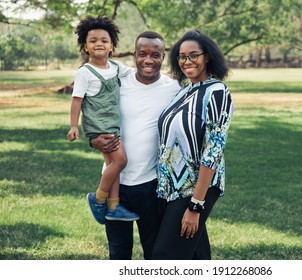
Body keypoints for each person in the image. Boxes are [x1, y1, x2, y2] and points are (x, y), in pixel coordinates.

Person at [90, 31, 180, 259]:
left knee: (154, 252)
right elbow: (92, 107)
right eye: (142, 54)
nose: (148, 60)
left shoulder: (174, 89)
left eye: (155, 55)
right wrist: (92, 138)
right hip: (115, 184)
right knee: (119, 252)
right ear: (135, 54)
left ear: (163, 56)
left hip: (150, 186)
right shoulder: (117, 81)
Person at [152, 30, 234, 260]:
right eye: (181, 56)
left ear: (207, 57)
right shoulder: (184, 91)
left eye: (193, 55)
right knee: (196, 254)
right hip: (171, 187)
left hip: (196, 188)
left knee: (165, 256)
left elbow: (213, 152)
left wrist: (196, 205)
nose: (187, 61)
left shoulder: (217, 92)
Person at [67, 15, 139, 224]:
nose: (99, 43)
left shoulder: (116, 68)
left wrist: (165, 77)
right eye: (93, 40)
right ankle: (98, 198)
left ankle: (113, 206)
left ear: (112, 46)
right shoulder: (85, 73)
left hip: (112, 125)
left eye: (104, 40)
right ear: (85, 47)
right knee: (121, 161)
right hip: (99, 127)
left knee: (112, 165)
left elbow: (137, 72)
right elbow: (76, 100)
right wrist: (73, 126)